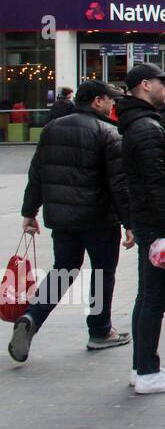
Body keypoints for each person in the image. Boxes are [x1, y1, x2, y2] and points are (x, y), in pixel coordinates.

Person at [10, 81, 133, 364]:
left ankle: (32, 316)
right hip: (98, 218)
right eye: (110, 100)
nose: (113, 105)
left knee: (63, 270)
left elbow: (37, 171)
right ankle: (100, 330)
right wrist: (130, 223)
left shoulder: (53, 127)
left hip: (62, 218)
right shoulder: (108, 132)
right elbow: (118, 184)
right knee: (102, 273)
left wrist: (29, 212)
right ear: (98, 101)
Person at [118, 63, 165, 394]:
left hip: (150, 222)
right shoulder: (146, 127)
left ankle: (144, 365)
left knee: (147, 295)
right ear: (145, 85)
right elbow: (155, 182)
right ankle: (147, 372)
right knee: (155, 296)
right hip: (156, 224)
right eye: (162, 83)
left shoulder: (139, 122)